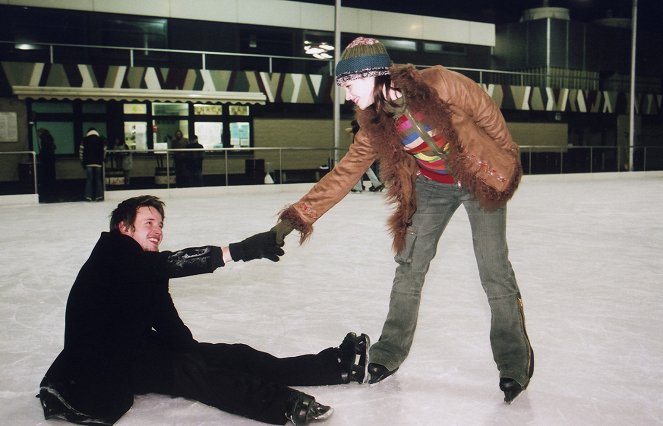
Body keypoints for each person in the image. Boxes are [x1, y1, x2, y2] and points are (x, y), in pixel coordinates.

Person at [270, 37, 533, 403]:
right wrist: (295, 218)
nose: (346, 94)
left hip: (478, 181)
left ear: (371, 76)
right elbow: (344, 174)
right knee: (409, 266)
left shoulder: (439, 84)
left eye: (348, 84)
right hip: (433, 189)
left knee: (493, 269)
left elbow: (489, 115)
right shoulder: (375, 125)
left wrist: (504, 163)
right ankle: (388, 353)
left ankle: (513, 363)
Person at [38, 195, 369, 425]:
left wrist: (196, 351)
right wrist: (239, 250)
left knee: (231, 356)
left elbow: (168, 324)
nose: (158, 229)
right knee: (191, 373)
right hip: (99, 366)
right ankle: (285, 406)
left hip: (132, 352)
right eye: (148, 222)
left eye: (160, 223)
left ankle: (331, 367)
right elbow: (175, 262)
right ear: (124, 229)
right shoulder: (112, 252)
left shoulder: (145, 268)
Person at [348, 120, 383, 193]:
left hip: (359, 152)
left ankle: (358, 187)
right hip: (365, 152)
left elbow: (350, 129)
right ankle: (377, 184)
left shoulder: (358, 130)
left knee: (356, 170)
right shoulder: (365, 132)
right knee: (367, 169)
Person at [79, 127, 106, 201]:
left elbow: (81, 152)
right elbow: (104, 151)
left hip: (88, 163)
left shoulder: (84, 140)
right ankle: (99, 196)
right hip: (98, 163)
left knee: (89, 180)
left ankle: (88, 197)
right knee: (98, 180)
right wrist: (102, 160)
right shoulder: (101, 140)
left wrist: (82, 162)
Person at [37, 128, 57, 193]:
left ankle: (47, 186)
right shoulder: (49, 138)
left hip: (46, 158)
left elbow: (45, 149)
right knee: (51, 172)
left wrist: (41, 155)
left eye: (38, 133)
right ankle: (51, 186)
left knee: (46, 172)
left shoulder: (44, 139)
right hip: (50, 158)